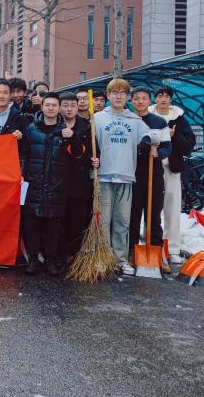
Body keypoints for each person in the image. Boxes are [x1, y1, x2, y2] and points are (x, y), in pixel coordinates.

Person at [92, 78, 154, 276]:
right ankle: (102, 257)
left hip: (126, 175)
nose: (118, 96)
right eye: (114, 93)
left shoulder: (134, 120)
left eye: (122, 93)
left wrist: (147, 140)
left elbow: (153, 135)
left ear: (127, 97)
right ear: (108, 96)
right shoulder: (98, 118)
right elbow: (89, 141)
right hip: (103, 176)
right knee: (103, 220)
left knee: (122, 221)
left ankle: (120, 259)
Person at [21, 93, 70, 276]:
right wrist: (22, 174)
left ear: (59, 108)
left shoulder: (65, 130)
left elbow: (75, 156)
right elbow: (24, 154)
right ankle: (33, 259)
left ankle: (50, 260)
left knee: (53, 224)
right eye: (47, 105)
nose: (50, 108)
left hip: (57, 184)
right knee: (32, 223)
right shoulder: (31, 129)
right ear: (41, 107)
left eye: (54, 105)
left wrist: (71, 138)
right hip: (34, 182)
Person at [150, 86, 196, 264]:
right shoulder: (148, 116)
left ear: (171, 99)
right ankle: (152, 245)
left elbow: (189, 144)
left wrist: (174, 136)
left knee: (173, 209)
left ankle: (173, 248)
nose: (163, 99)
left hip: (172, 168)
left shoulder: (179, 118)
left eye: (166, 96)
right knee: (152, 208)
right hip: (152, 168)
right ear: (155, 98)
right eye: (160, 96)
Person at [129, 87, 171, 272]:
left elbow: (168, 147)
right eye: (136, 98)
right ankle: (132, 251)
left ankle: (156, 252)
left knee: (153, 216)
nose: (140, 102)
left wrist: (158, 152)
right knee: (133, 215)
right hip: (132, 174)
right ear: (131, 101)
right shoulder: (128, 119)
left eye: (144, 98)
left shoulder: (159, 122)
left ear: (149, 101)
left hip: (154, 174)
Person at [59, 92, 92, 260]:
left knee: (77, 220)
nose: (69, 109)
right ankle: (58, 255)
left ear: (78, 107)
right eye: (65, 105)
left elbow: (91, 152)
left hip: (79, 181)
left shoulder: (86, 127)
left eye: (73, 105)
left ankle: (74, 255)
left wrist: (95, 160)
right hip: (58, 181)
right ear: (60, 107)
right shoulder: (54, 124)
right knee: (59, 220)